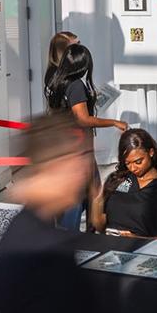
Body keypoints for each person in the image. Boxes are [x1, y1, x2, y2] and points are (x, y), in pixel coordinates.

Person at [0, 111, 100, 313]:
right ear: (61, 164)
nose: (86, 171)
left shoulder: (21, 230)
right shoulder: (48, 253)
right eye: (82, 159)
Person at [46, 43, 128, 231]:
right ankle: (72, 240)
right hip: (78, 152)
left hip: (66, 149)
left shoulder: (55, 82)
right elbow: (82, 119)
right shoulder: (76, 86)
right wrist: (114, 122)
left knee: (93, 193)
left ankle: (88, 234)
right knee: (77, 199)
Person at [91, 128, 157, 241]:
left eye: (138, 162)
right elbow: (101, 227)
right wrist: (97, 201)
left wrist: (139, 240)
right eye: (127, 163)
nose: (133, 168)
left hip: (144, 252)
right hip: (110, 248)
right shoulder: (117, 179)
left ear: (151, 152)